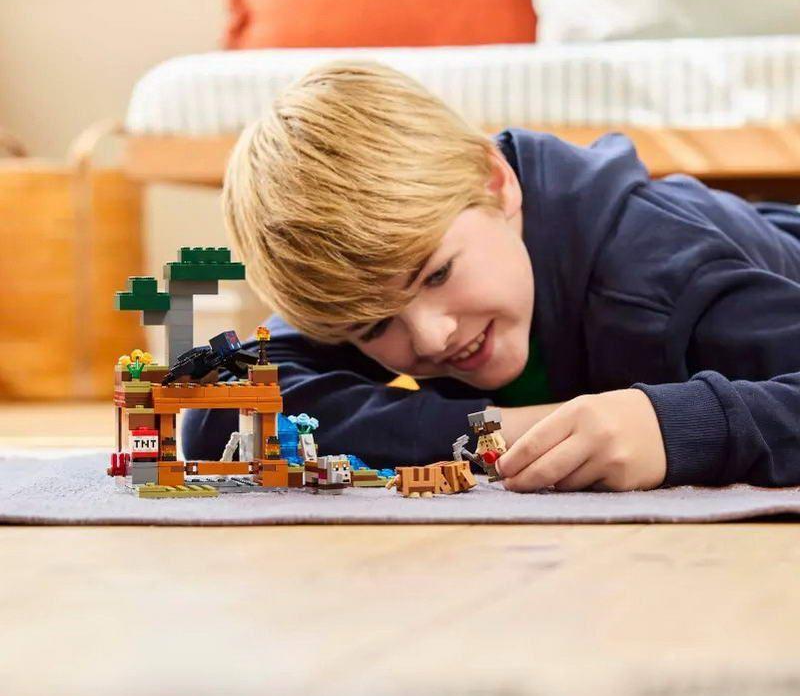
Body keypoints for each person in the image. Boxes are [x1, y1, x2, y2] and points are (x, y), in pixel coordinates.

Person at [182, 61, 800, 491]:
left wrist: (680, 425)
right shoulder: (378, 270)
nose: (430, 337)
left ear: (496, 182)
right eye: (372, 328)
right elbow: (215, 403)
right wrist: (503, 432)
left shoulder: (662, 277)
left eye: (436, 275)